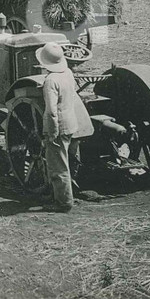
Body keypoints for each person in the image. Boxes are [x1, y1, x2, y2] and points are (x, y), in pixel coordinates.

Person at [36, 41, 94, 212]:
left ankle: (64, 203)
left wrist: (52, 133)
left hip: (59, 127)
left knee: (58, 167)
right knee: (69, 160)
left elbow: (51, 111)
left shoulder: (50, 81)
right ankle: (66, 192)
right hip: (72, 123)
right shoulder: (68, 73)